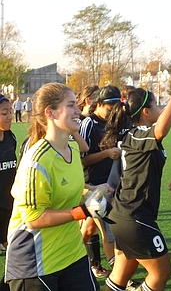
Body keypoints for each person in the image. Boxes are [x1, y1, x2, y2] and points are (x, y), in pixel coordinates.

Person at [5, 82, 109, 291]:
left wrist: (93, 191)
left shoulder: (71, 147)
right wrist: (82, 211)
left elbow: (68, 188)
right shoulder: (37, 161)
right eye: (71, 105)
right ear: (50, 112)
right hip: (35, 263)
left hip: (72, 254)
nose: (78, 110)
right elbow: (34, 219)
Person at [103, 67, 171, 291]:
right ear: (145, 112)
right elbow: (161, 131)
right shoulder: (137, 134)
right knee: (161, 273)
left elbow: (161, 126)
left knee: (121, 276)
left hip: (125, 215)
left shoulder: (135, 135)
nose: (159, 109)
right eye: (155, 105)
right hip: (134, 217)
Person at [80, 85, 122, 278]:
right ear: (98, 104)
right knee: (108, 230)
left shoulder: (113, 122)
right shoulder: (89, 123)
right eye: (109, 106)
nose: (113, 111)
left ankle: (86, 263)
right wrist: (107, 153)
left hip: (110, 184)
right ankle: (118, 275)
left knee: (88, 229)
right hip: (93, 186)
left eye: (116, 106)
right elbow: (83, 160)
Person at [0, 95, 17, 291]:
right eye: (4, 113)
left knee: (15, 251)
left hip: (10, 209)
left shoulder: (10, 138)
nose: (9, 117)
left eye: (10, 112)